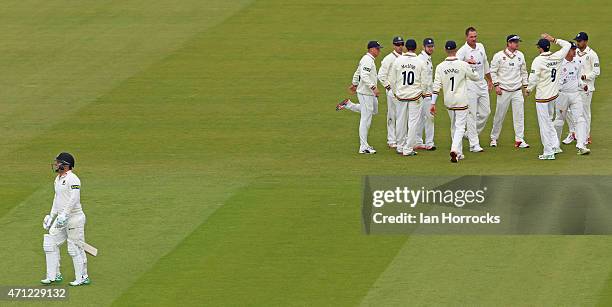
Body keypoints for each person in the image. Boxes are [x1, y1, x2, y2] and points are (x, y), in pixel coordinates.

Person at [42, 152, 91, 286]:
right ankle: (54, 275)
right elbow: (56, 199)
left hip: (74, 218)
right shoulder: (57, 179)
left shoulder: (73, 179)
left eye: (58, 162)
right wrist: (51, 216)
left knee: (74, 248)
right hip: (60, 219)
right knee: (50, 243)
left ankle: (82, 277)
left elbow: (74, 199)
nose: (56, 164)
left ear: (66, 165)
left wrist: (65, 214)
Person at [431, 41, 479, 163]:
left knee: (453, 125)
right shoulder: (463, 64)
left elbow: (436, 85)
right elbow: (475, 77)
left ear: (445, 50)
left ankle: (459, 153)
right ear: (456, 50)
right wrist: (472, 66)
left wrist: (432, 103)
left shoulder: (440, 66)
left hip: (448, 100)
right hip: (461, 100)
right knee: (460, 127)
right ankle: (455, 149)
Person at [526, 34, 571, 160]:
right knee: (549, 121)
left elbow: (533, 78)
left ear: (540, 48)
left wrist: (528, 89)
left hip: (542, 98)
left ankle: (548, 152)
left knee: (544, 124)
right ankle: (555, 146)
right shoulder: (557, 56)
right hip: (553, 96)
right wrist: (554, 39)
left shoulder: (538, 60)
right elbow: (567, 45)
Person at [336, 41, 382, 154]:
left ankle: (349, 104)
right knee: (366, 118)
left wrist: (354, 83)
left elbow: (358, 73)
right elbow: (364, 75)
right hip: (366, 93)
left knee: (374, 111)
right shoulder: (367, 60)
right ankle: (363, 147)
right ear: (371, 49)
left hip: (367, 93)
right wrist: (373, 87)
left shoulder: (367, 59)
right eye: (377, 48)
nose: (379, 51)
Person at [389, 39, 430, 156]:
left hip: (401, 95)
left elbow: (392, 79)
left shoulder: (398, 61)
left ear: (406, 48)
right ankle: (408, 148)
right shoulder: (420, 62)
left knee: (400, 120)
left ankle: (400, 146)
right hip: (415, 96)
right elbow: (425, 81)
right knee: (413, 123)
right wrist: (422, 92)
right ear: (416, 48)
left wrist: (396, 92)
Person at [456, 27, 494, 152]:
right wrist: (465, 62)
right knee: (471, 114)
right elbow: (455, 65)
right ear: (466, 37)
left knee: (486, 112)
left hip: (482, 82)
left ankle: (469, 134)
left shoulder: (481, 46)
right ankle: (474, 145)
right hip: (469, 84)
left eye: (475, 36)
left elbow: (486, 64)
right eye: (471, 37)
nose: (474, 39)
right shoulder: (462, 51)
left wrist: (490, 80)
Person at [489, 34, 530, 148]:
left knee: (519, 115)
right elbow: (493, 71)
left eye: (517, 42)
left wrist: (526, 86)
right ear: (508, 43)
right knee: (499, 115)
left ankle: (519, 139)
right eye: (515, 42)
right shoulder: (499, 56)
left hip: (517, 90)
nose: (517, 44)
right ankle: (494, 138)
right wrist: (496, 85)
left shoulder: (520, 55)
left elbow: (524, 72)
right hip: (504, 90)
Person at [554, 42, 591, 155]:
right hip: (562, 95)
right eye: (572, 49)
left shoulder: (577, 62)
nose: (575, 51)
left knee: (580, 119)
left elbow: (578, 78)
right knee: (560, 120)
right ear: (566, 51)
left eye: (575, 49)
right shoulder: (559, 63)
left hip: (575, 95)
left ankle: (581, 145)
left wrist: (582, 85)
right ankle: (555, 145)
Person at [377, 36, 405, 148]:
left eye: (402, 44)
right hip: (392, 92)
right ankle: (391, 139)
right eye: (398, 44)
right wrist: (388, 87)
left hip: (403, 92)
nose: (400, 47)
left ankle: (401, 139)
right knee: (392, 115)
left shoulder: (405, 58)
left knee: (402, 116)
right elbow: (381, 75)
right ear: (394, 45)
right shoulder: (389, 58)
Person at [415, 38, 436, 151]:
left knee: (427, 118)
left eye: (432, 46)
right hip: (423, 94)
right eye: (428, 47)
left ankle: (428, 142)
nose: (431, 48)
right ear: (423, 47)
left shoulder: (427, 59)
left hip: (427, 94)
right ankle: (422, 142)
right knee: (423, 118)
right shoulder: (420, 59)